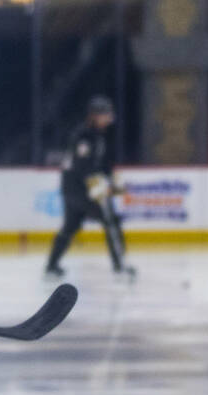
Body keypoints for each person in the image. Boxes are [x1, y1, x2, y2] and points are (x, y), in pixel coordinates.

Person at [44, 94, 136, 280]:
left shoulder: (98, 136)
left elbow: (102, 164)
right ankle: (120, 267)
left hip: (75, 188)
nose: (108, 118)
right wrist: (98, 187)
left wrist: (112, 180)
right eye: (105, 114)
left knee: (70, 226)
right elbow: (82, 165)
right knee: (111, 221)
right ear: (94, 115)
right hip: (78, 189)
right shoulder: (84, 136)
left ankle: (51, 266)